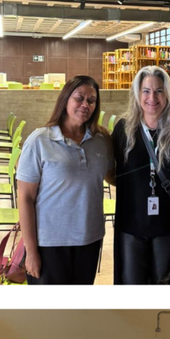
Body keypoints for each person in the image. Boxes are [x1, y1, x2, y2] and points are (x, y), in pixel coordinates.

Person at [16, 75, 114, 285]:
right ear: (66, 99)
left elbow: (113, 175)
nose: (85, 105)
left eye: (91, 100)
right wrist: (31, 251)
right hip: (49, 244)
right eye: (79, 98)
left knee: (78, 311)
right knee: (49, 314)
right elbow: (25, 198)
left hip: (89, 240)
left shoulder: (101, 141)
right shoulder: (40, 140)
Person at [109, 64, 170, 284]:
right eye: (146, 91)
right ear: (137, 95)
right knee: (132, 285)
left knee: (165, 284)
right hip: (131, 222)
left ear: (167, 94)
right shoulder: (123, 129)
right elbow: (113, 170)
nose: (152, 97)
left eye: (159, 90)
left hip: (167, 224)